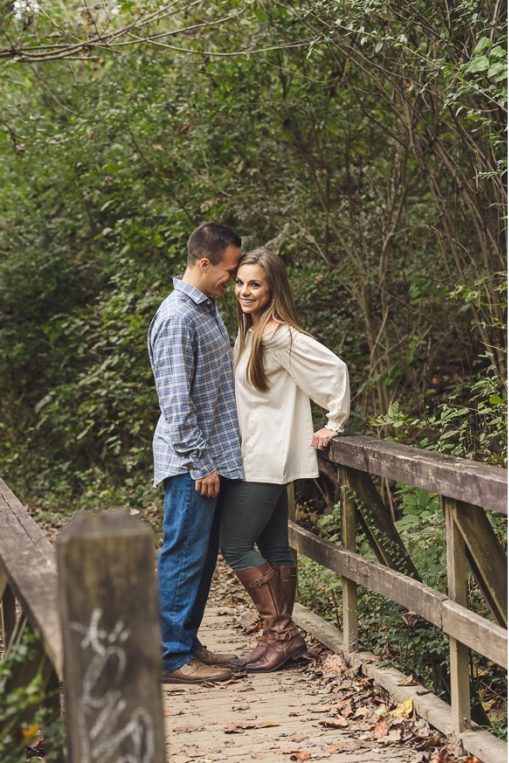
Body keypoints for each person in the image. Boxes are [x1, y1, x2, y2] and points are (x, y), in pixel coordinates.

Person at [217, 248, 350, 672]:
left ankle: (282, 635)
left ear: (272, 287)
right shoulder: (251, 332)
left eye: (254, 283)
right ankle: (280, 639)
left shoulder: (279, 335)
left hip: (265, 458)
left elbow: (334, 370)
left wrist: (335, 422)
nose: (243, 291)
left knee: (235, 544)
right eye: (239, 282)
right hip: (254, 454)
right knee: (274, 545)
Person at [150, 221, 246, 684]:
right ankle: (170, 657)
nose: (234, 276)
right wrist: (200, 462)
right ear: (203, 264)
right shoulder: (177, 317)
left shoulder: (206, 310)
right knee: (183, 555)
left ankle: (185, 643)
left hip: (211, 458)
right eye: (229, 269)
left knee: (201, 557)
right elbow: (175, 402)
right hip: (193, 462)